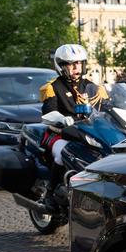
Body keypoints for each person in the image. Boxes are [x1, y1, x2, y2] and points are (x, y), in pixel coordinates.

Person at [38, 44, 108, 205]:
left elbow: (107, 108)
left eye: (79, 63)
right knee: (64, 153)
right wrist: (61, 119)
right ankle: (50, 192)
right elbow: (48, 113)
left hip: (87, 133)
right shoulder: (53, 87)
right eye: (71, 64)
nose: (77, 67)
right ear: (61, 66)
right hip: (60, 134)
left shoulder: (92, 86)